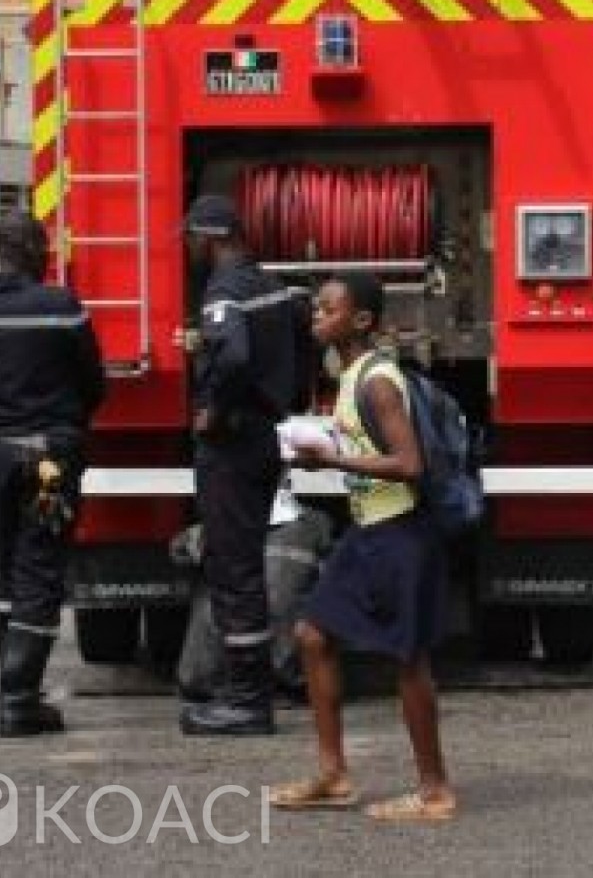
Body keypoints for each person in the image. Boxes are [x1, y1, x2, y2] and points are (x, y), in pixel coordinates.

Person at [272, 273, 456, 822]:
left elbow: (409, 464)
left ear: (361, 321)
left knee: (409, 661)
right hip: (369, 530)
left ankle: (435, 791)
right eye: (317, 307)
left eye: (328, 309)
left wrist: (330, 460)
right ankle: (333, 776)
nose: (317, 315)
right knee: (312, 636)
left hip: (399, 532)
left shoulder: (377, 382)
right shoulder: (350, 374)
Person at [0, 211, 105, 737]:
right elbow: (92, 379)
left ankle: (12, 688)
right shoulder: (60, 307)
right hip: (46, 460)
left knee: (2, 568)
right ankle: (19, 703)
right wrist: (70, 423)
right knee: (39, 570)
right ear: (38, 252)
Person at [179, 194, 310, 737]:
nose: (189, 249)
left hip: (231, 445)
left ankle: (247, 702)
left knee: (233, 570)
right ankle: (248, 694)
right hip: (264, 437)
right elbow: (302, 343)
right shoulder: (274, 286)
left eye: (191, 239)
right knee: (245, 565)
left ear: (210, 238)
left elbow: (231, 356)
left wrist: (214, 407)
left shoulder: (226, 290)